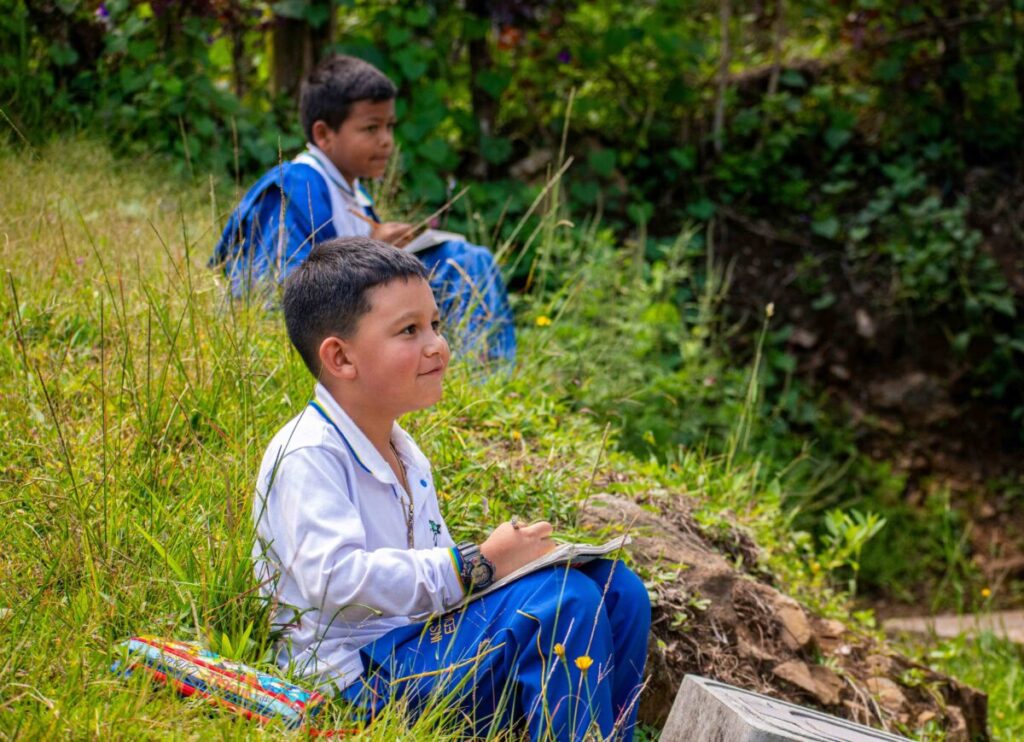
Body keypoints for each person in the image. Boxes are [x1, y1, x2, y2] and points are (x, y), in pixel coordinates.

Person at [252, 237, 650, 740]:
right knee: (561, 602)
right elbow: (333, 580)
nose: (437, 344)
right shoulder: (311, 453)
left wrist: (509, 567)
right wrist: (473, 566)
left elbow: (436, 583)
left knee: (620, 591)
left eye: (435, 325)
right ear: (341, 358)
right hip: (351, 680)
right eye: (409, 330)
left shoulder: (404, 450)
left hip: (414, 648)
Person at [211, 54, 515, 362]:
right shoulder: (294, 186)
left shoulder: (354, 192)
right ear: (324, 134)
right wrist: (374, 252)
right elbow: (279, 296)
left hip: (358, 318)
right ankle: (478, 375)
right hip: (325, 342)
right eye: (371, 128)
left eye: (389, 127)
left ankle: (479, 367)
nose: (386, 141)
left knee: (467, 260)